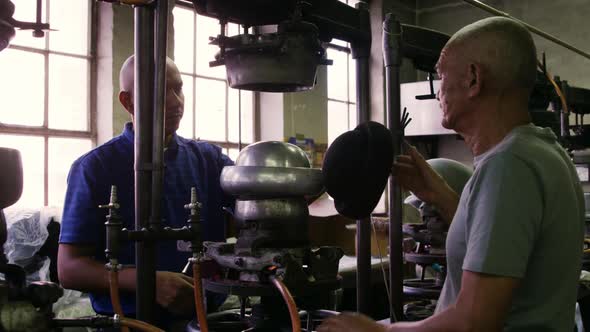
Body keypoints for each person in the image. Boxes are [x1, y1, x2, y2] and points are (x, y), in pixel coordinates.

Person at [319, 16, 585, 332]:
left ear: (473, 79)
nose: (437, 91)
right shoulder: (543, 151)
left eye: (441, 75)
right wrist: (437, 193)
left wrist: (380, 331)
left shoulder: (509, 166)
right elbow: (504, 242)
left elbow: (475, 321)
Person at [57, 55, 234, 328]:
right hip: (130, 323)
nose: (177, 102)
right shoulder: (95, 168)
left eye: (179, 88)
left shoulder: (209, 159)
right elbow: (69, 269)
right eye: (162, 92)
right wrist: (148, 282)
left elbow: (256, 200)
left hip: (205, 321)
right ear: (128, 102)